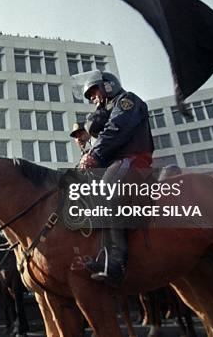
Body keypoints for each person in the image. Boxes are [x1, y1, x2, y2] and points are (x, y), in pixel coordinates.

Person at [78, 71, 154, 286]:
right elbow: (99, 134)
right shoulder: (106, 110)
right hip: (113, 162)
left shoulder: (127, 100)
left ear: (108, 86)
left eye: (94, 92)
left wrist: (94, 154)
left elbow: (116, 129)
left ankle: (116, 260)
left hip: (133, 159)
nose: (93, 98)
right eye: (90, 96)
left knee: (107, 191)